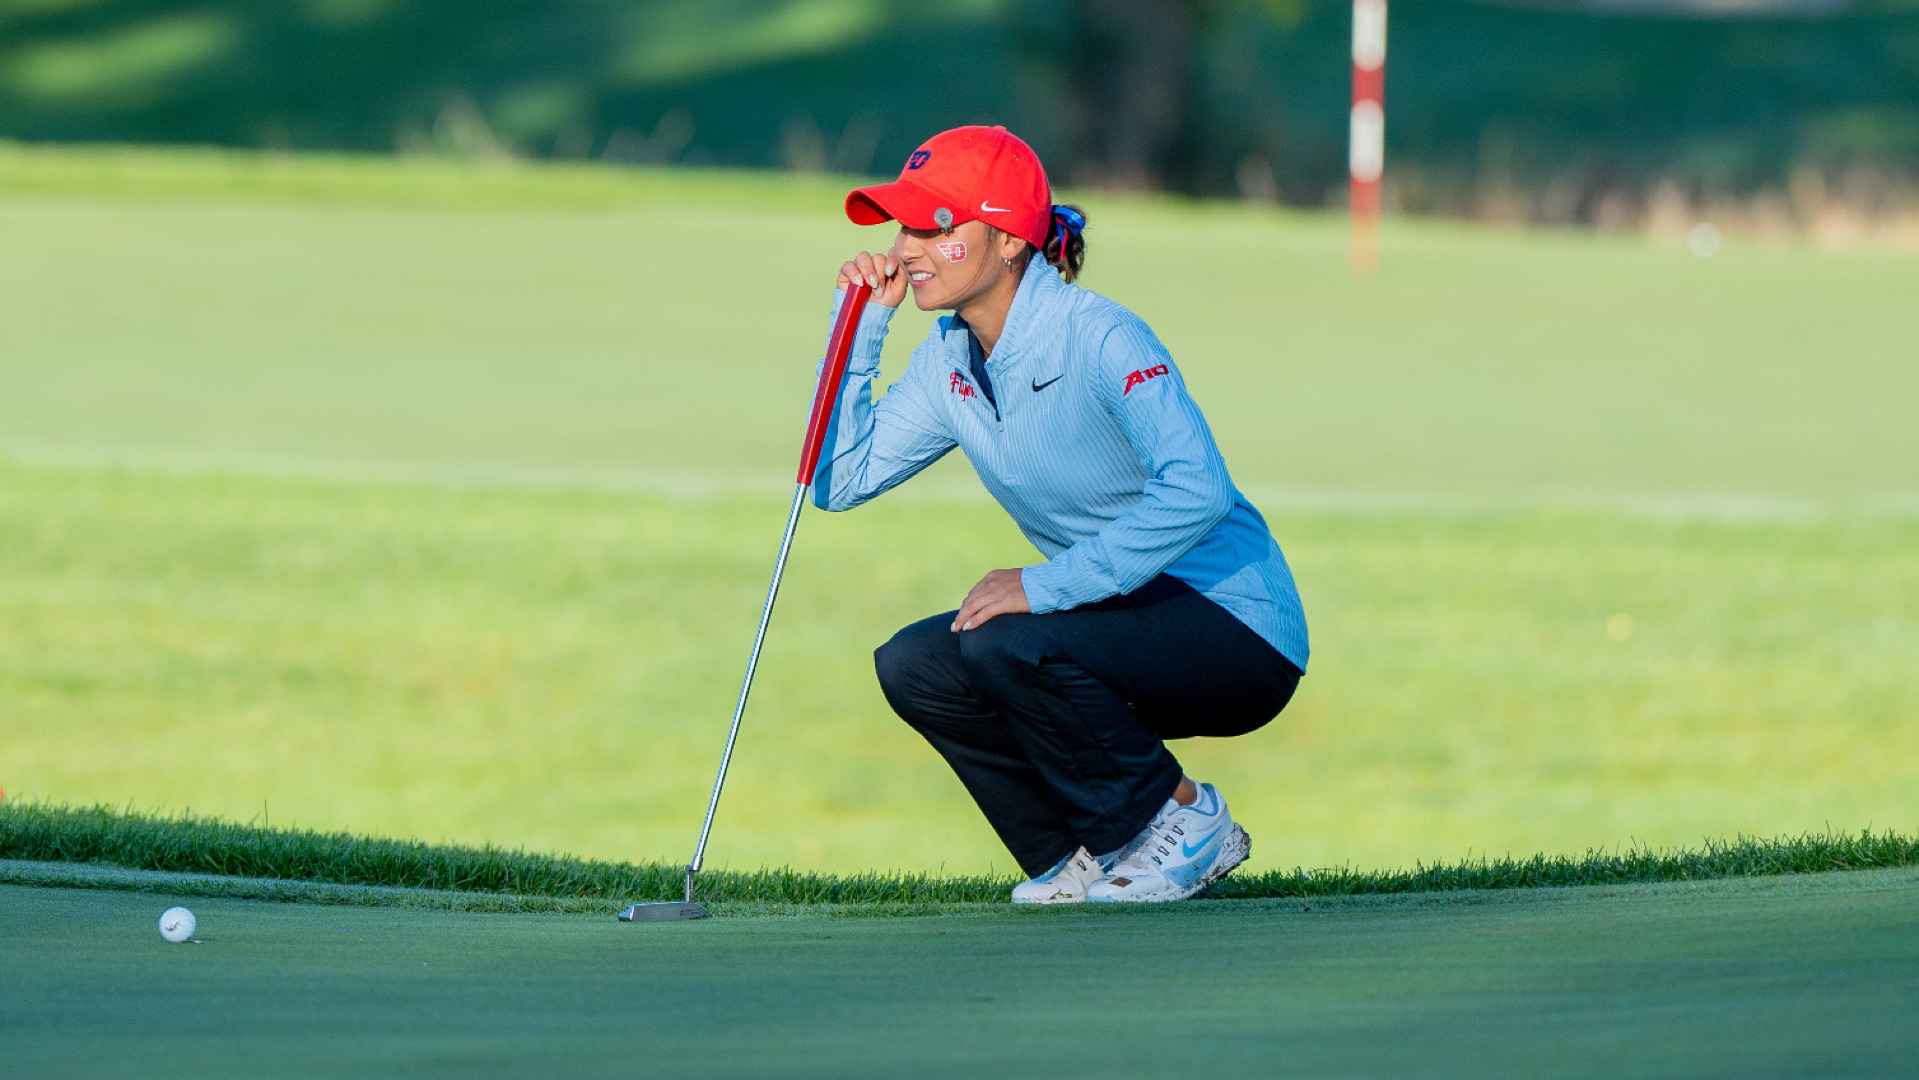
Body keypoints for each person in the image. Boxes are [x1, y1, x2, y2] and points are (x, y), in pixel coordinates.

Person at [815, 125, 1309, 903]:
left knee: (1007, 638)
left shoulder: (1100, 334)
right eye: (904, 225)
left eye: (935, 225)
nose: (908, 246)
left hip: (1235, 627)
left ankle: (1183, 816)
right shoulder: (946, 360)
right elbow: (838, 479)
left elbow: (1197, 490)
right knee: (916, 664)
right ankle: (1073, 855)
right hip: (1112, 621)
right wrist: (862, 329)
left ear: (1009, 241)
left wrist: (1046, 586)